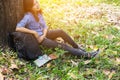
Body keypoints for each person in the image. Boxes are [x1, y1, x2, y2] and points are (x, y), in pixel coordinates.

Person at [16, 0, 100, 59]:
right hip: (40, 40)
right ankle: (86, 55)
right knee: (62, 46)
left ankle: (77, 47)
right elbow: (18, 28)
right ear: (29, 7)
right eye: (34, 4)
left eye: (37, 2)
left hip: (44, 34)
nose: (37, 5)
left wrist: (44, 35)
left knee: (60, 31)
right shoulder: (28, 16)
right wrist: (34, 32)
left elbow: (45, 26)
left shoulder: (38, 12)